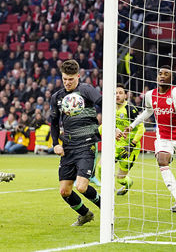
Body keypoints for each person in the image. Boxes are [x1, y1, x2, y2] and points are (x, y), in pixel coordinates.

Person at [50, 59, 102, 226]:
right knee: (65, 191)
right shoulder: (57, 97)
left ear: (78, 76)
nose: (67, 82)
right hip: (68, 148)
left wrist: (111, 126)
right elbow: (53, 122)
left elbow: (104, 104)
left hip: (87, 144)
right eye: (65, 79)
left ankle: (107, 209)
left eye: (71, 79)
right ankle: (85, 215)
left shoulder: (86, 90)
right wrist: (55, 144)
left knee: (81, 187)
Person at [124, 66, 176, 211]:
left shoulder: (174, 93)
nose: (162, 76)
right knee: (162, 160)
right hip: (164, 137)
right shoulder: (150, 95)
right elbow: (148, 111)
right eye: (160, 73)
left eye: (167, 74)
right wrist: (133, 125)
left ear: (171, 79)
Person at [96, 84, 145, 195]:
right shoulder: (110, 109)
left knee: (120, 178)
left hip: (129, 148)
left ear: (126, 95)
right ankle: (109, 192)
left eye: (120, 93)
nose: (117, 95)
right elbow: (106, 125)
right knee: (100, 168)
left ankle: (128, 183)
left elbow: (141, 128)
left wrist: (132, 144)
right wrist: (95, 133)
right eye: (115, 93)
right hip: (115, 145)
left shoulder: (130, 109)